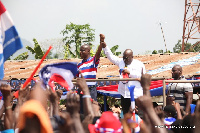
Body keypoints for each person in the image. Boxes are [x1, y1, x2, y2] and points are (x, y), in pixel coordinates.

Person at [101, 34, 146, 114]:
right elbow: (111, 57)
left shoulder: (139, 64)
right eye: (123, 57)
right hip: (124, 94)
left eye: (126, 58)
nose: (124, 59)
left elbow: (144, 78)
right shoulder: (121, 62)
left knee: (137, 115)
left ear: (132, 57)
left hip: (136, 94)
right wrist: (105, 46)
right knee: (126, 115)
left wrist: (130, 73)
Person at [77, 34, 104, 101]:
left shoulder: (93, 61)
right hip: (81, 90)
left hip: (90, 90)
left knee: (92, 109)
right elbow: (77, 78)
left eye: (82, 50)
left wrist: (101, 43)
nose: (80, 52)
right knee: (82, 110)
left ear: (88, 51)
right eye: (80, 50)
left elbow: (98, 53)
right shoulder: (79, 64)